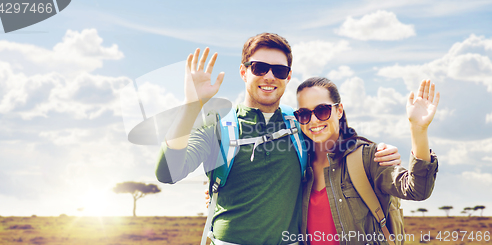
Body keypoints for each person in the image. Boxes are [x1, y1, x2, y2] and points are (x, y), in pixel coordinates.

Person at [156, 33, 401, 245]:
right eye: (259, 68)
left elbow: (336, 143)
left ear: (288, 76)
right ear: (244, 71)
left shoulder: (299, 124)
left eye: (279, 70)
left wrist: (376, 150)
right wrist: (191, 106)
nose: (269, 76)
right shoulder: (217, 125)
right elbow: (168, 172)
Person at [293, 78, 439, 245]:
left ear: (339, 110)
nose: (313, 120)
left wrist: (418, 130)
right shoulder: (300, 167)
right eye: (304, 114)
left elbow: (417, 190)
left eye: (322, 111)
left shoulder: (366, 157)